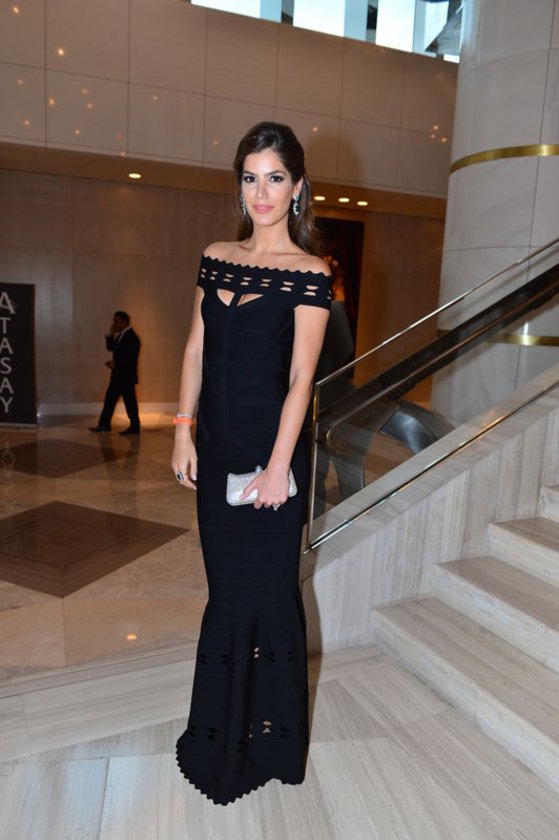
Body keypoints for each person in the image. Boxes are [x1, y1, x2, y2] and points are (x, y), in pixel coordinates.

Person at [171, 122, 332, 805]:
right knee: (226, 596)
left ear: (297, 188)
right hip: (216, 449)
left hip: (273, 456)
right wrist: (182, 432)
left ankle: (270, 743)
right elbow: (193, 350)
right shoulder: (216, 256)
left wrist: (276, 468)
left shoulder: (311, 274)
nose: (260, 192)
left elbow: (301, 380)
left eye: (274, 178)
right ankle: (219, 738)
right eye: (249, 177)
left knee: (265, 597)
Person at [90, 310, 141, 435]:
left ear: (124, 322)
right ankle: (104, 424)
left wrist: (116, 365)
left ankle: (134, 426)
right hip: (118, 376)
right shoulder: (120, 336)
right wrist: (110, 334)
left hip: (126, 377)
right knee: (110, 400)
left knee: (130, 402)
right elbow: (110, 347)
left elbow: (131, 359)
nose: (113, 324)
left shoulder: (132, 338)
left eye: (116, 321)